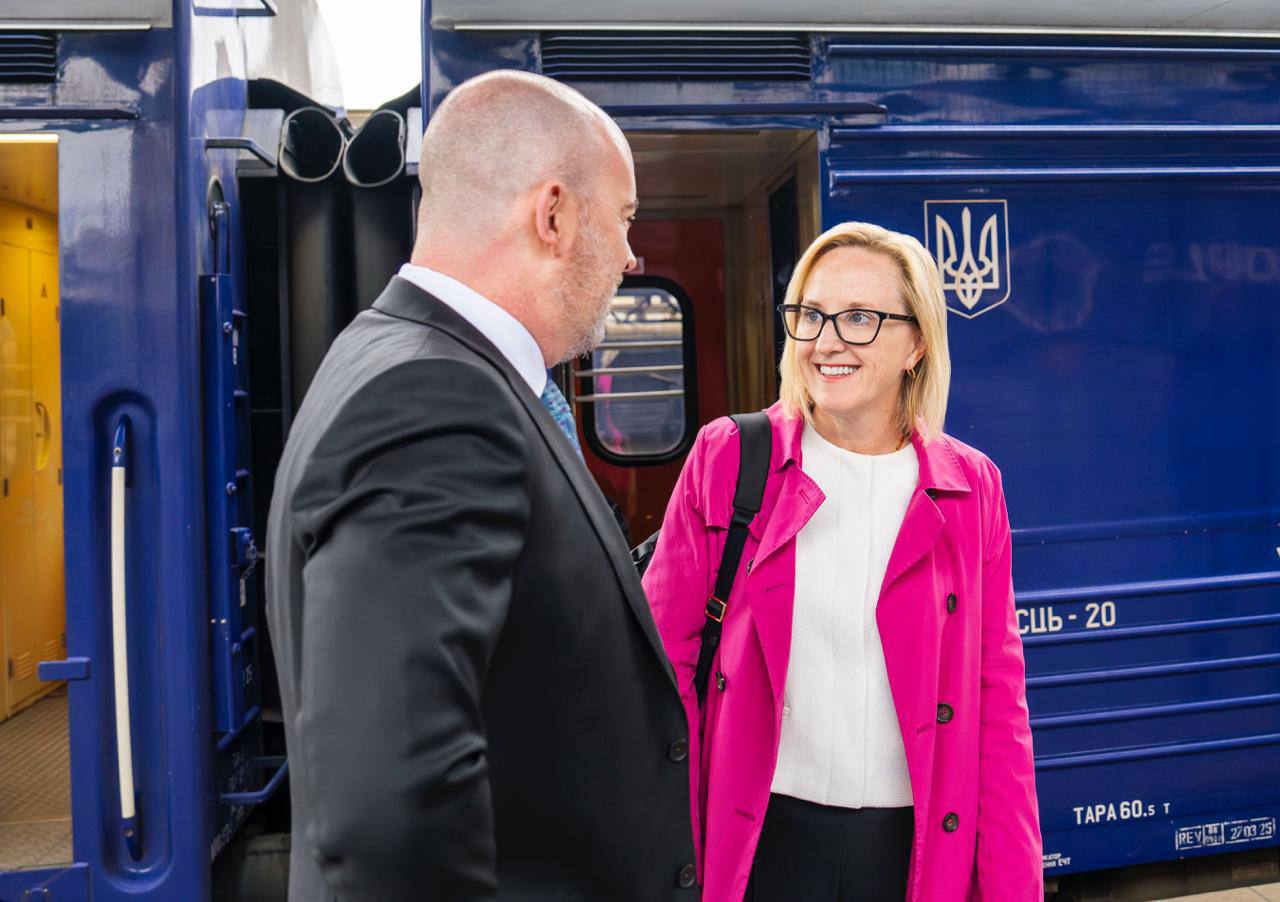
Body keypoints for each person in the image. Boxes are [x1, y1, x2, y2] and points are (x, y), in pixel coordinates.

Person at [265, 70, 697, 901]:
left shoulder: (390, 354)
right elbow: (391, 813)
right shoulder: (438, 398)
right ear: (553, 214)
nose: (630, 255)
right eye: (624, 217)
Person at [643, 221, 1042, 901]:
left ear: (917, 343)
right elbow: (663, 670)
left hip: (912, 853)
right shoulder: (730, 458)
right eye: (811, 314)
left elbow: (996, 704)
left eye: (859, 318)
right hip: (757, 843)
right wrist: (661, 847)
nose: (826, 342)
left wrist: (1013, 886)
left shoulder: (971, 488)